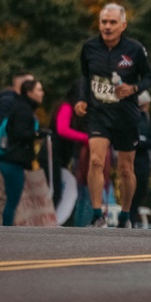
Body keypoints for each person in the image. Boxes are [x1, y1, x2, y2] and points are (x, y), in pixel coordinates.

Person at [75, 3, 151, 228]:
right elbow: (85, 75)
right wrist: (81, 99)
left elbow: (149, 78)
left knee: (125, 169)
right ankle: (97, 214)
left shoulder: (135, 49)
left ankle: (126, 215)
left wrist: (133, 88)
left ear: (123, 25)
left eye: (112, 23)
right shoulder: (89, 47)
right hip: (98, 113)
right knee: (96, 161)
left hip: (125, 115)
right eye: (103, 22)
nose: (107, 27)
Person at [0, 71, 35, 226]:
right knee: (2, 195)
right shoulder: (9, 101)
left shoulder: (20, 103)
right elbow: (0, 126)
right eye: (30, 84)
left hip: (7, 152)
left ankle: (0, 227)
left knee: (6, 195)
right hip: (3, 152)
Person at [0, 78, 45, 226]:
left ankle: (8, 229)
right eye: (39, 90)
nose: (42, 93)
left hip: (11, 160)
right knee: (12, 200)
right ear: (29, 93)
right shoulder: (23, 109)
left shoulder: (22, 107)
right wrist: (37, 134)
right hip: (13, 161)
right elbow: (20, 133)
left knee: (12, 199)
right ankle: (7, 231)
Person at [48, 80, 90, 225]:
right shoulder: (66, 107)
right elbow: (62, 129)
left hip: (59, 155)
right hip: (53, 154)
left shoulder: (69, 108)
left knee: (60, 190)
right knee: (55, 191)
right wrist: (85, 138)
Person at [130, 90, 151, 226]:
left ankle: (130, 219)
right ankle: (129, 219)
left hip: (144, 163)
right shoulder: (138, 119)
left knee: (139, 194)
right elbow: (137, 141)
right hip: (138, 163)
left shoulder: (145, 118)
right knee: (135, 193)